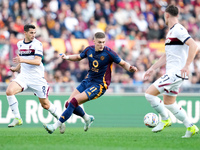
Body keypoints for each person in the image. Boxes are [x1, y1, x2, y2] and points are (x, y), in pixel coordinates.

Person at [43, 32, 138, 134]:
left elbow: (123, 63)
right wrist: (67, 57)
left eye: (103, 42)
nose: (102, 44)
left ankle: (54, 126)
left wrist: (130, 68)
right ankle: (87, 118)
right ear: (94, 41)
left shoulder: (109, 53)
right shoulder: (89, 49)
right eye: (99, 42)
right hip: (88, 80)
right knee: (68, 104)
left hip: (99, 85)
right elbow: (79, 57)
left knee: (74, 101)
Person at [143, 5, 199, 138]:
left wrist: (187, 65)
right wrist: (152, 68)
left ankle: (165, 119)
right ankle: (191, 127)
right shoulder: (171, 32)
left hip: (176, 73)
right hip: (175, 73)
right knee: (169, 102)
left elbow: (194, 45)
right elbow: (167, 56)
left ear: (166, 15)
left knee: (149, 94)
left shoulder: (179, 29)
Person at [6, 24, 66, 134]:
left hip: (37, 78)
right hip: (23, 76)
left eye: (34, 33)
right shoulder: (20, 44)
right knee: (9, 91)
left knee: (45, 105)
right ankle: (17, 118)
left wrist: (22, 60)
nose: (33, 35)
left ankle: (61, 120)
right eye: (31, 33)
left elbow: (38, 61)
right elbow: (23, 59)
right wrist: (16, 68)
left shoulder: (37, 44)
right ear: (25, 33)